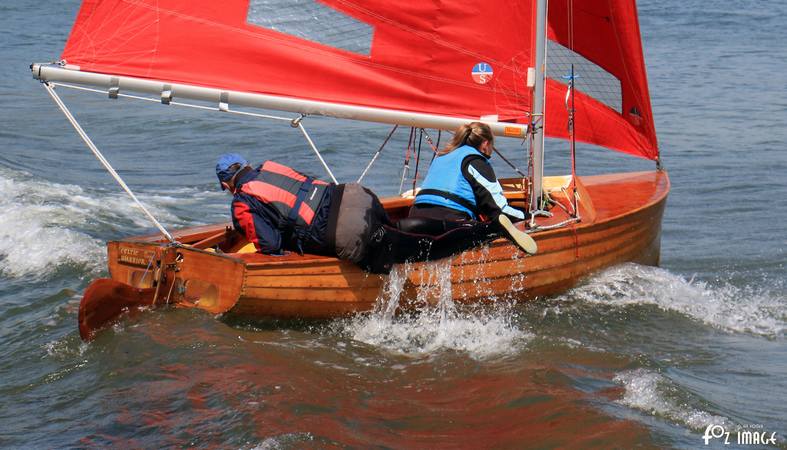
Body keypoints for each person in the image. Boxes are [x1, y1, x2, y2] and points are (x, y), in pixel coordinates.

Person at [408, 122, 537, 254]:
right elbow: (499, 210)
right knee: (494, 226)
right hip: (449, 220)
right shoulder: (476, 162)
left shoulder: (441, 157)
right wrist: (529, 215)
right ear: (485, 144)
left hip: (415, 214)